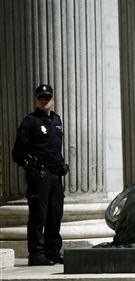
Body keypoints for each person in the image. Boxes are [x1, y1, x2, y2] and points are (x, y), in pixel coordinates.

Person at [12, 84, 69, 266]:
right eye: (41, 98)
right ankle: (36, 254)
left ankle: (52, 252)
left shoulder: (57, 121)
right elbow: (18, 153)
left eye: (47, 97)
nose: (44, 101)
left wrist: (61, 165)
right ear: (36, 100)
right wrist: (32, 167)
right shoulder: (29, 122)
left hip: (55, 176)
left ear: (53, 100)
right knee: (38, 216)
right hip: (40, 176)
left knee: (55, 215)